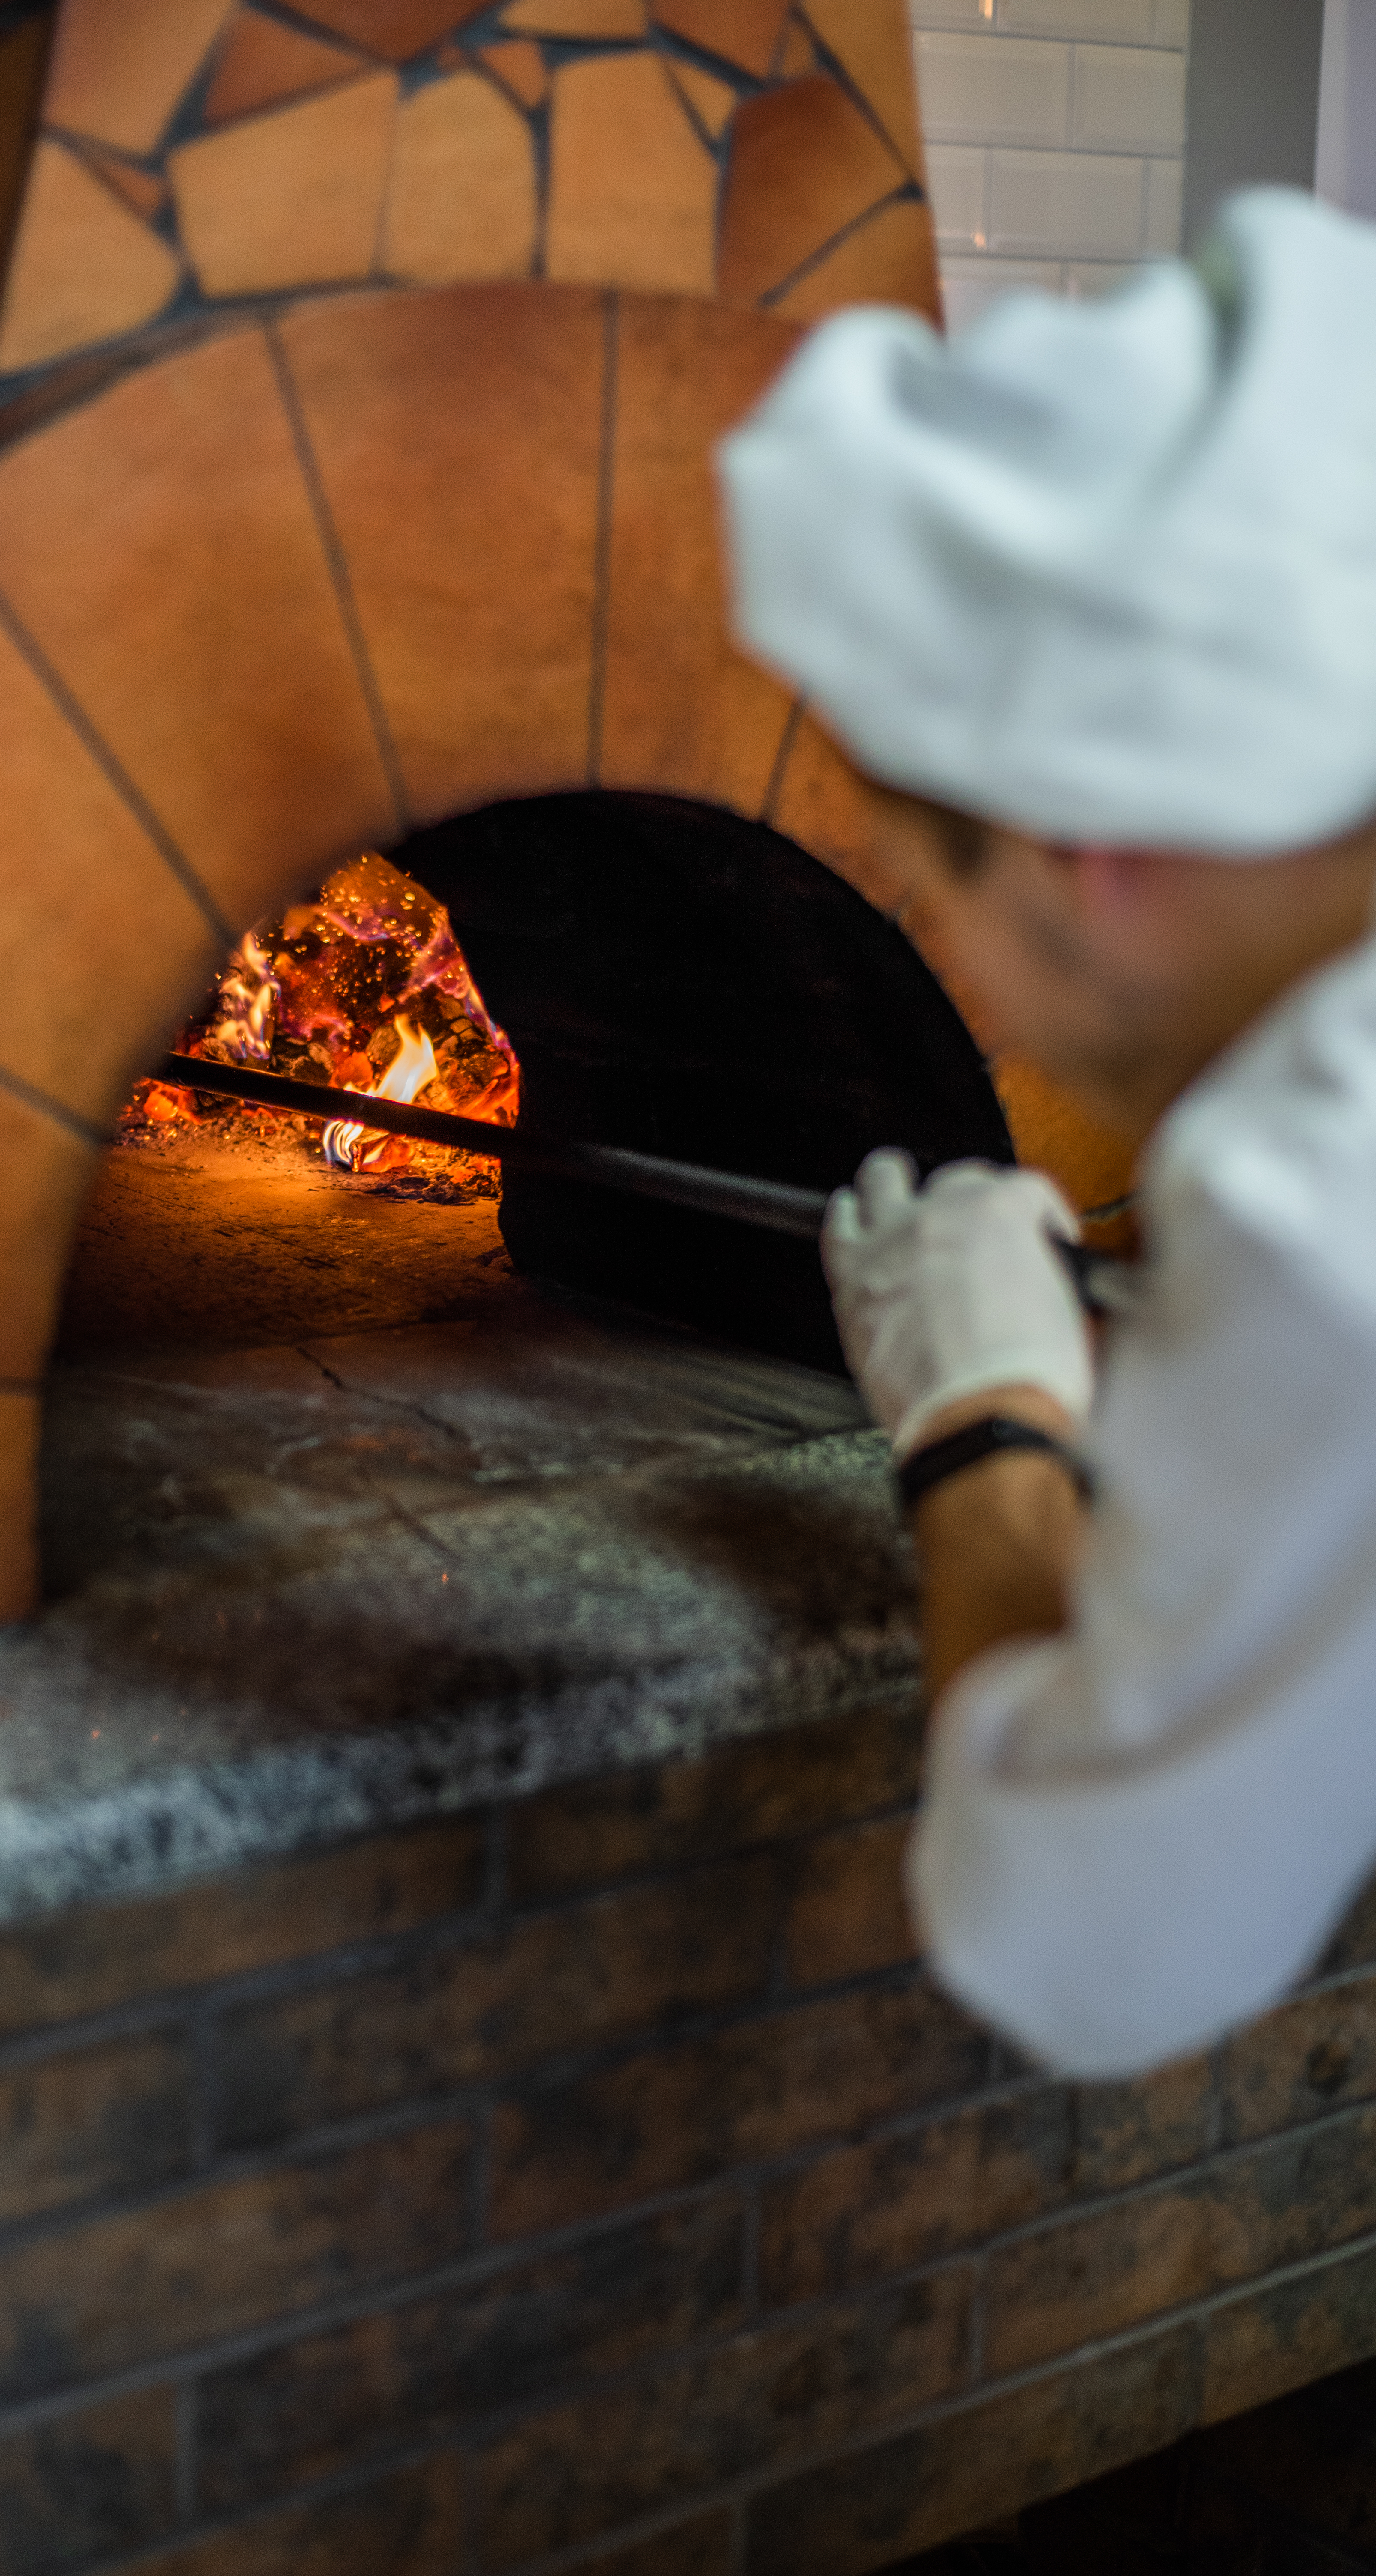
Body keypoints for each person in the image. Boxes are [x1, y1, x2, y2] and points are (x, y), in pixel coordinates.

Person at [716, 187, 1376, 2078]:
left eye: (937, 906)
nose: (978, 1006)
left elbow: (1084, 1944)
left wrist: (982, 1417)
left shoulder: (1320, 1202)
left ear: (1089, 845)